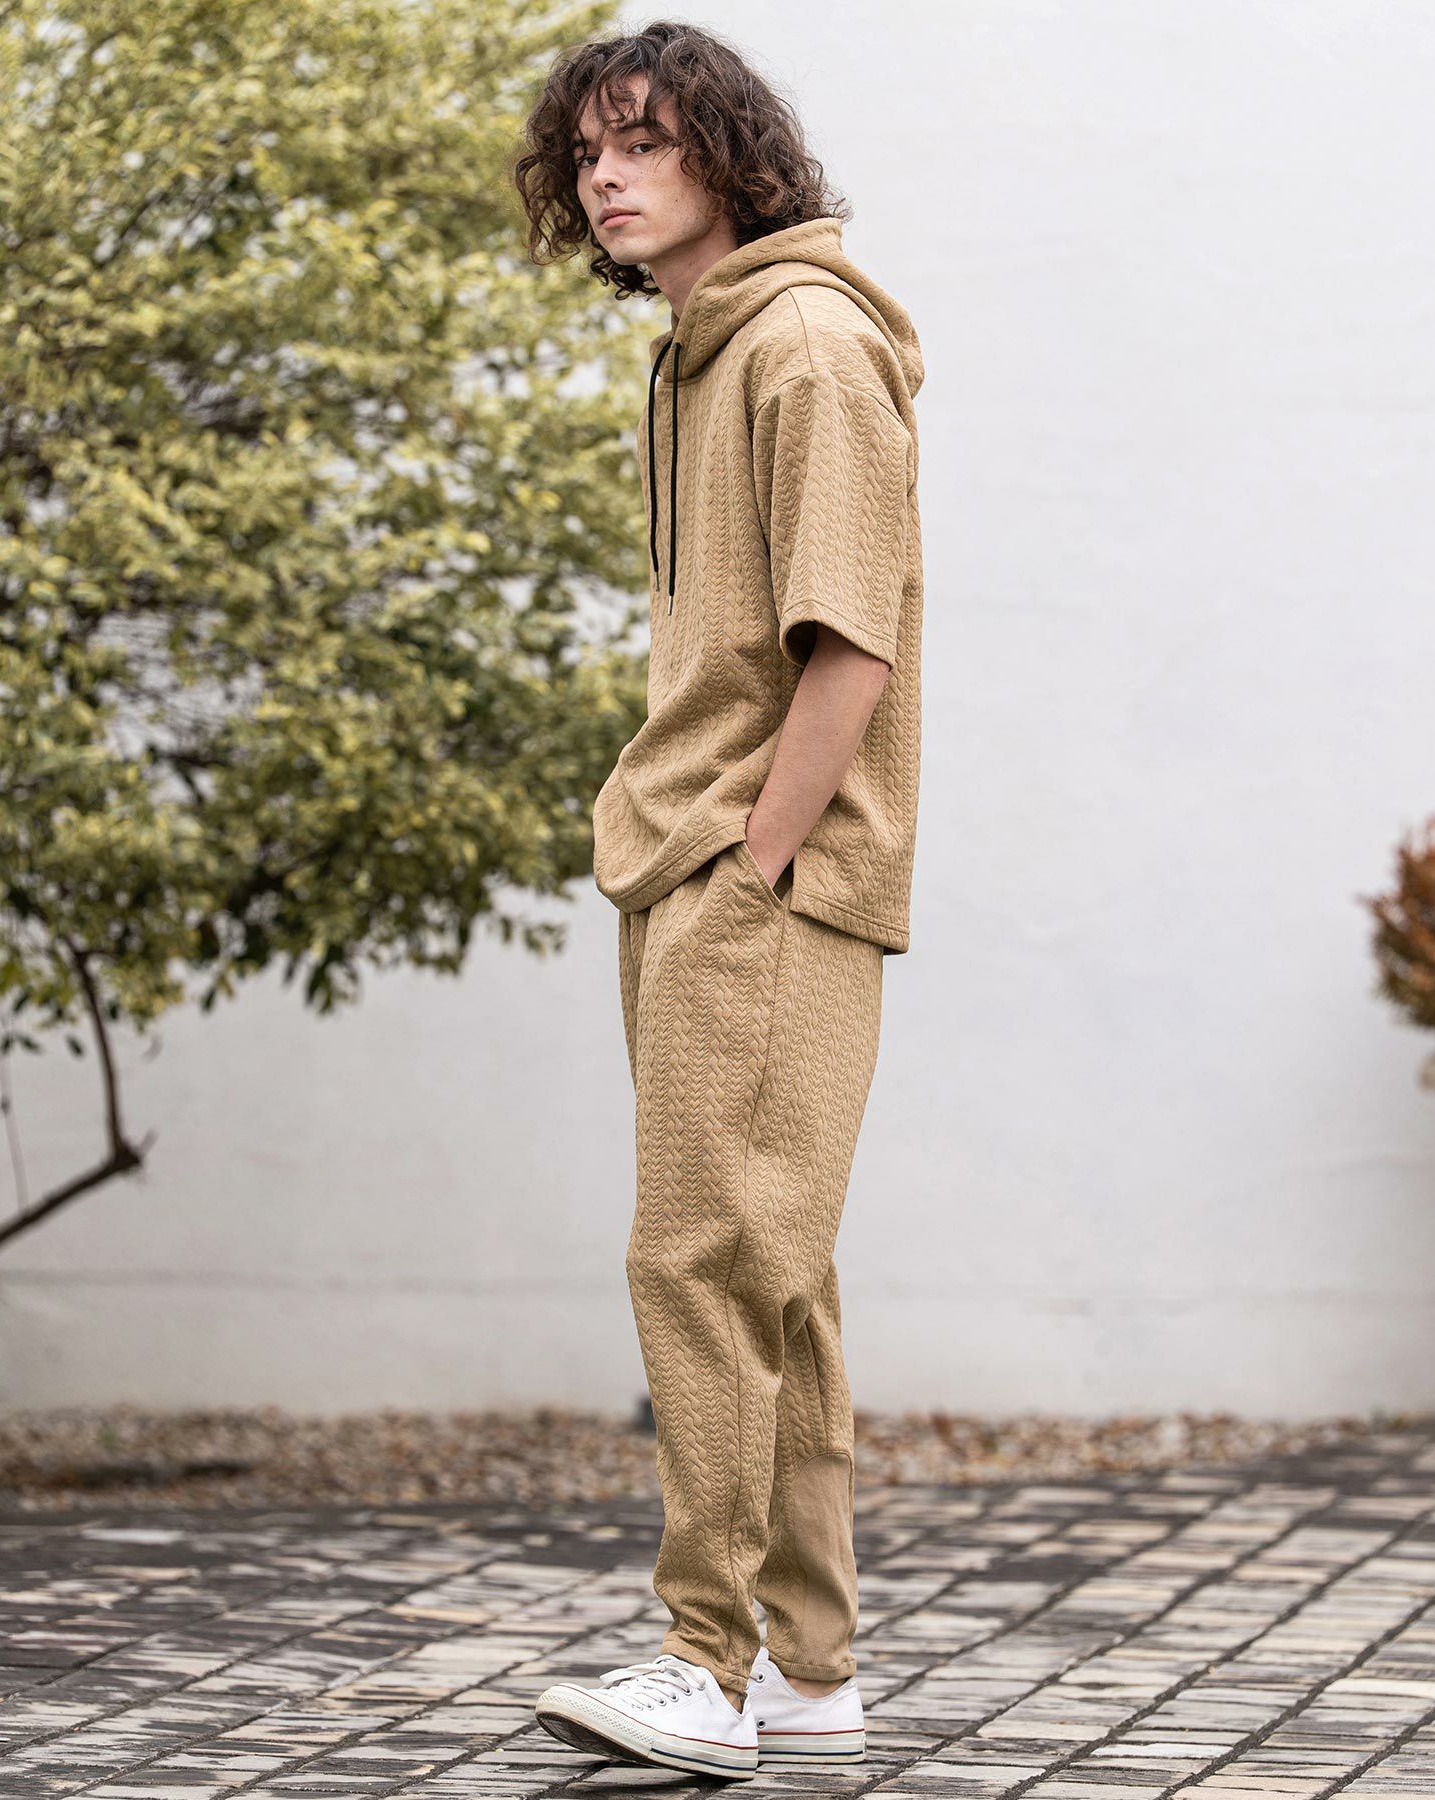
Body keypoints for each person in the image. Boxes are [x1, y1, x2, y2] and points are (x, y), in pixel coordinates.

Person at [513, 18, 925, 1783]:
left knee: (695, 1257)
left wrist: (755, 861)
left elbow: (852, 647)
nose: (607, 176)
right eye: (588, 151)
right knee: (776, 1273)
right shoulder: (700, 354)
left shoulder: (805, 348)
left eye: (645, 143)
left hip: (764, 876)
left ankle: (709, 1661)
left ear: (732, 159)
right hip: (700, 861)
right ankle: (811, 1672)